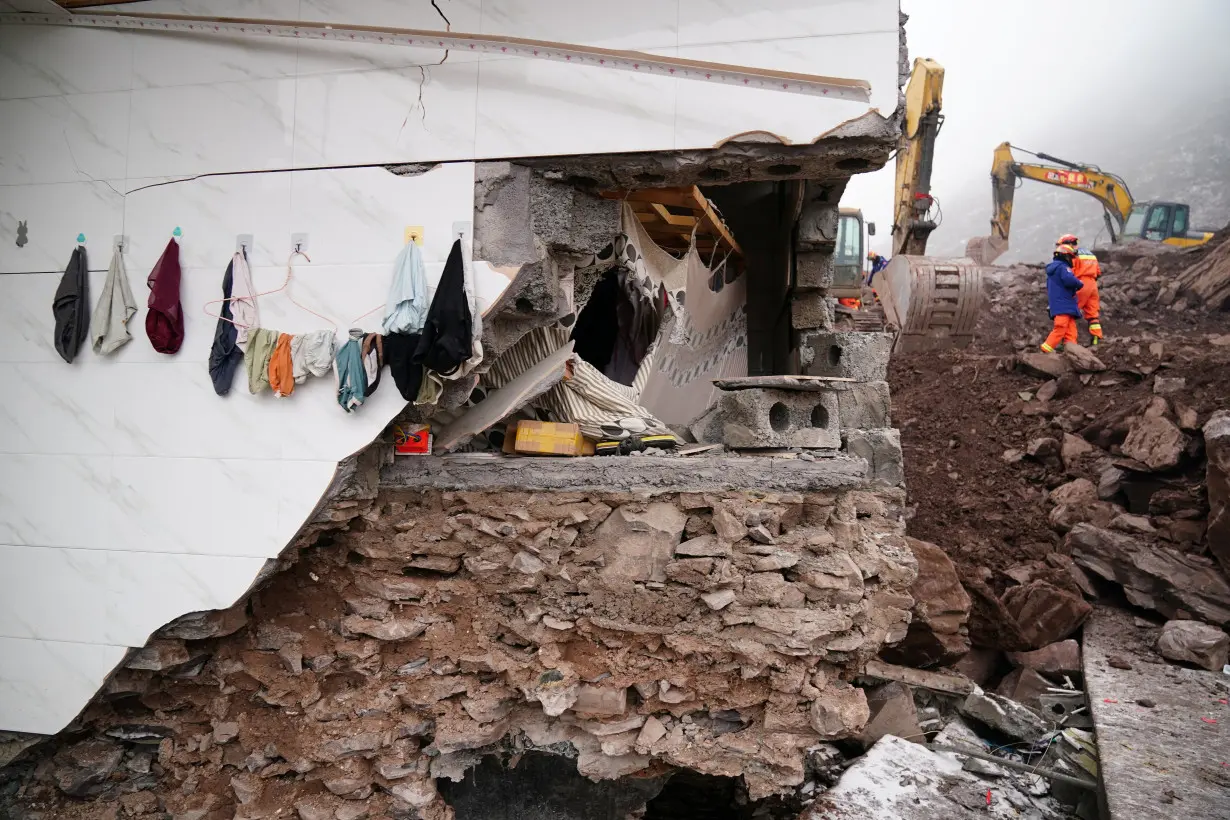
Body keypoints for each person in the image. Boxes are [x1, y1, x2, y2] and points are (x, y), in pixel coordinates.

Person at [1057, 233, 1103, 345]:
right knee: (1093, 314)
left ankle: (1070, 342)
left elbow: (1068, 273)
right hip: (1093, 286)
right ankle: (1096, 338)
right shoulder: (1090, 254)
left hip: (1080, 284)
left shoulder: (1072, 255)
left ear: (1068, 244)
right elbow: (1098, 273)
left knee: (1069, 312)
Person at [1041, 243, 1084, 353]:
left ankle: (1071, 351)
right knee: (1061, 328)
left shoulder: (1054, 270)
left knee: (1071, 330)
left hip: (1062, 304)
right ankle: (1045, 349)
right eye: (1070, 257)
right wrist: (1079, 283)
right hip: (1063, 305)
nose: (1072, 260)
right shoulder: (1062, 267)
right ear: (1066, 256)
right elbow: (1069, 279)